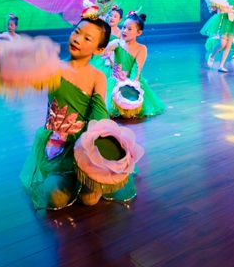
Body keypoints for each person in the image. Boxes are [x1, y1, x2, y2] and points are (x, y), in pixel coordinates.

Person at [18, 12, 142, 209]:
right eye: (76, 32)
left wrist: (102, 144)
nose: (77, 39)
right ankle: (68, 178)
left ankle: (87, 178)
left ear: (99, 49)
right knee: (56, 198)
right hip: (58, 143)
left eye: (87, 38)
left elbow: (99, 112)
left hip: (86, 143)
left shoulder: (97, 76)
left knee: (89, 200)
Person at [104, 11, 165, 118]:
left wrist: (129, 86)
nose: (125, 31)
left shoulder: (141, 48)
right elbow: (103, 49)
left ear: (139, 32)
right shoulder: (117, 43)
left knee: (128, 113)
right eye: (124, 27)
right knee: (108, 110)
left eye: (129, 29)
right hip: (115, 81)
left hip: (131, 81)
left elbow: (136, 70)